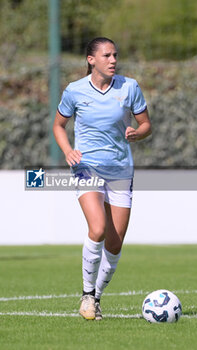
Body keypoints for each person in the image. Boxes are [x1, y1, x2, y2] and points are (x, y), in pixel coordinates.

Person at [53, 37, 151, 321]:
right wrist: (68, 150)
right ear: (91, 59)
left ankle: (96, 297)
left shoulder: (129, 87)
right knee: (97, 228)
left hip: (120, 170)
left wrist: (138, 132)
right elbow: (58, 126)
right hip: (86, 168)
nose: (113, 60)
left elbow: (146, 124)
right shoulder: (74, 91)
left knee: (115, 242)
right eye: (106, 55)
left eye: (115, 55)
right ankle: (86, 294)